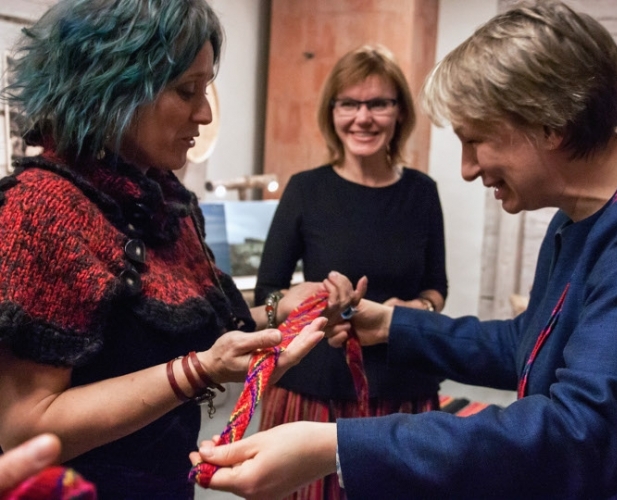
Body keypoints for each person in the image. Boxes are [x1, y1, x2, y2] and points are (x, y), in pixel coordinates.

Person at [191, 1, 617, 498]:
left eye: (476, 138)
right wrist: (389, 324)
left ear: (550, 121)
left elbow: (582, 433)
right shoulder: (586, 216)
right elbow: (524, 346)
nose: (467, 167)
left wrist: (333, 445)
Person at [0, 0, 362, 498]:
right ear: (111, 91)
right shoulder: (41, 211)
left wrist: (280, 309)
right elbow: (26, 427)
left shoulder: (159, 200)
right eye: (186, 90)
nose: (206, 112)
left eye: (205, 87)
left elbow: (177, 333)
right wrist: (198, 372)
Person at [252, 45, 448, 498]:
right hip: (313, 393)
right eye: (349, 104)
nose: (364, 117)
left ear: (399, 113)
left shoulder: (422, 193)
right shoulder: (305, 190)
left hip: (402, 389)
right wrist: (290, 301)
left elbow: (437, 287)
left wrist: (413, 309)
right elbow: (266, 293)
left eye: (379, 103)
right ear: (333, 112)